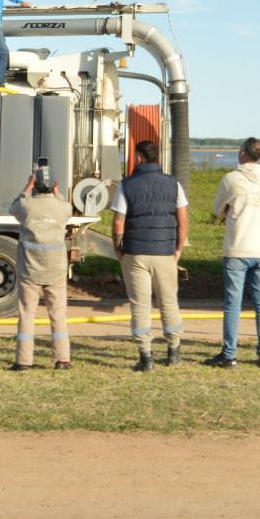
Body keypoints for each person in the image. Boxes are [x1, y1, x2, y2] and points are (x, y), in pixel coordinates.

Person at [111, 139, 188, 372]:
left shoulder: (127, 185)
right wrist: (178, 248)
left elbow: (118, 222)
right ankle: (173, 351)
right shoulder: (174, 184)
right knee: (168, 302)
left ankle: (146, 357)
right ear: (158, 158)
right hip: (165, 252)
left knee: (140, 305)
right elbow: (183, 220)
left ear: (138, 158)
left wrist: (118, 249)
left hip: (135, 253)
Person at [204, 136, 260, 369]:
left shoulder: (231, 179)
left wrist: (230, 209)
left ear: (244, 153)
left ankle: (230, 354)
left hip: (237, 247)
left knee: (233, 303)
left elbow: (218, 209)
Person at [8, 164, 74, 371]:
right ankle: (62, 359)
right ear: (55, 185)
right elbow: (66, 205)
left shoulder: (26, 206)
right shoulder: (63, 208)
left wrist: (27, 185)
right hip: (55, 271)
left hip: (30, 271)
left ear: (35, 184)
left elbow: (13, 207)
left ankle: (24, 361)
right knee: (58, 315)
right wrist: (57, 191)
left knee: (27, 315)